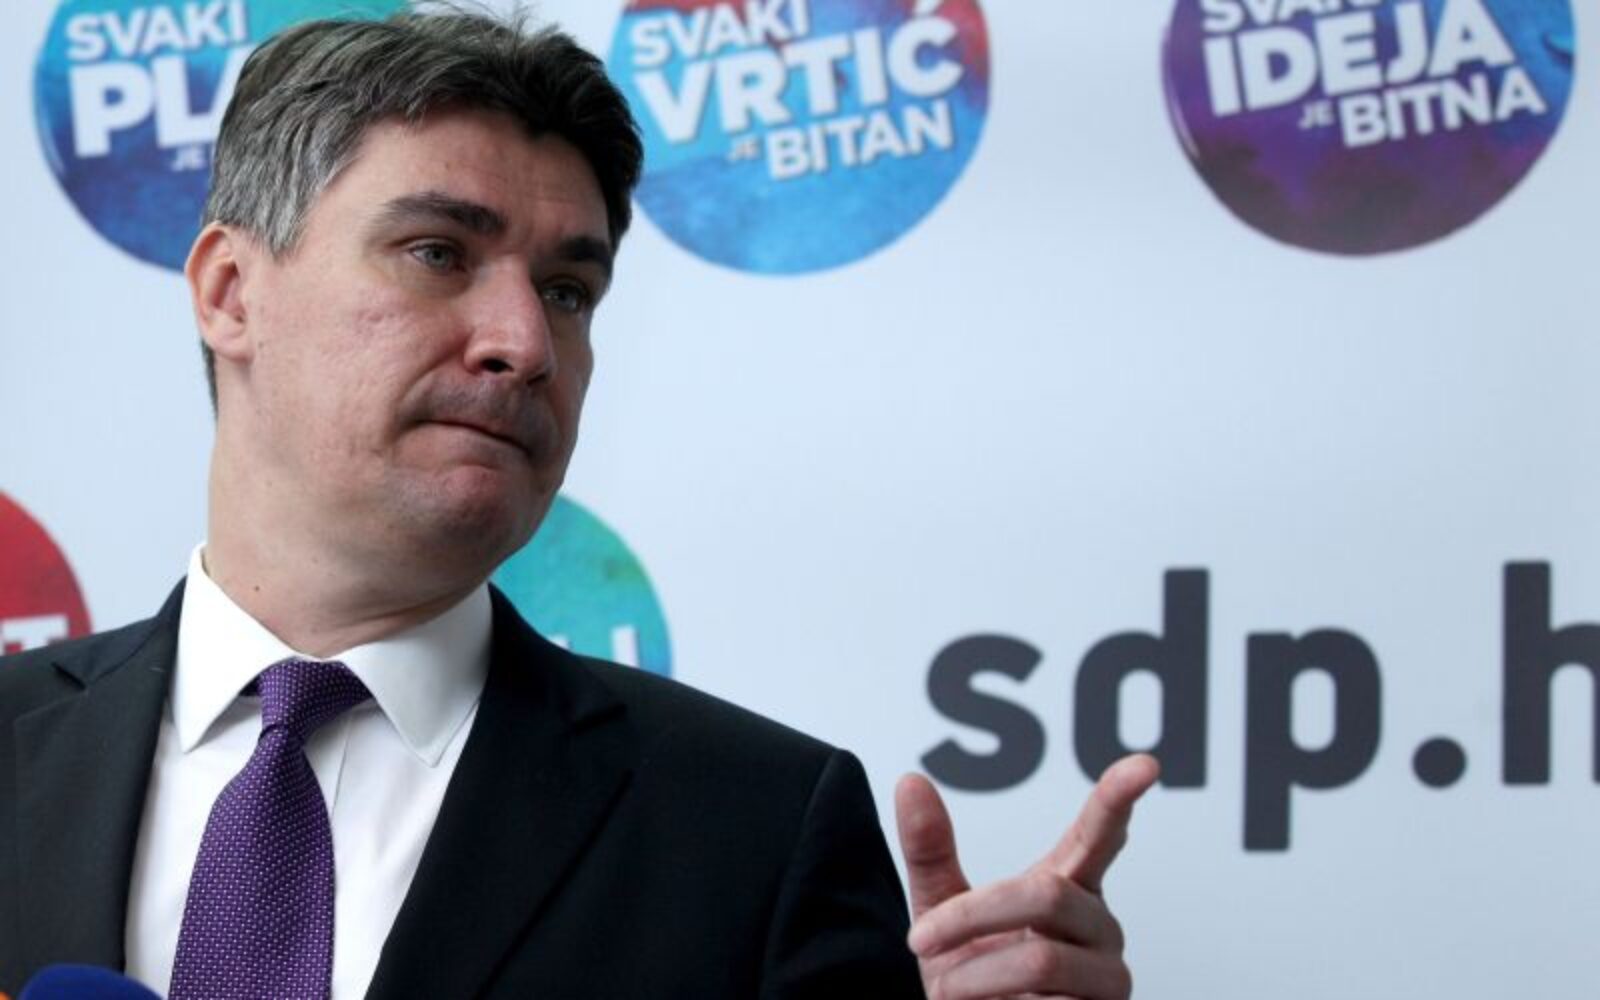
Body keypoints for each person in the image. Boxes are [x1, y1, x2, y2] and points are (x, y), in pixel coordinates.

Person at [0, 8, 1159, 999]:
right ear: (229, 291)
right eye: (438, 253)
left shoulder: (754, 829)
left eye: (567, 289)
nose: (524, 342)